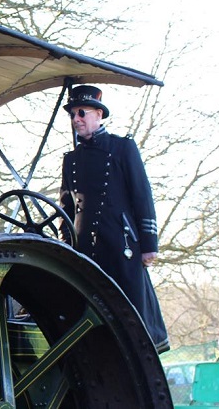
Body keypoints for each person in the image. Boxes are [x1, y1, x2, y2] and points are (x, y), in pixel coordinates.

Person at [58, 85, 169, 352]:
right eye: (73, 115)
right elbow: (66, 207)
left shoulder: (122, 148)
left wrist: (149, 244)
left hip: (121, 244)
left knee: (132, 312)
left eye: (82, 113)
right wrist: (65, 245)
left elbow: (142, 195)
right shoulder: (71, 160)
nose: (77, 120)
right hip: (85, 249)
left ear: (99, 114)